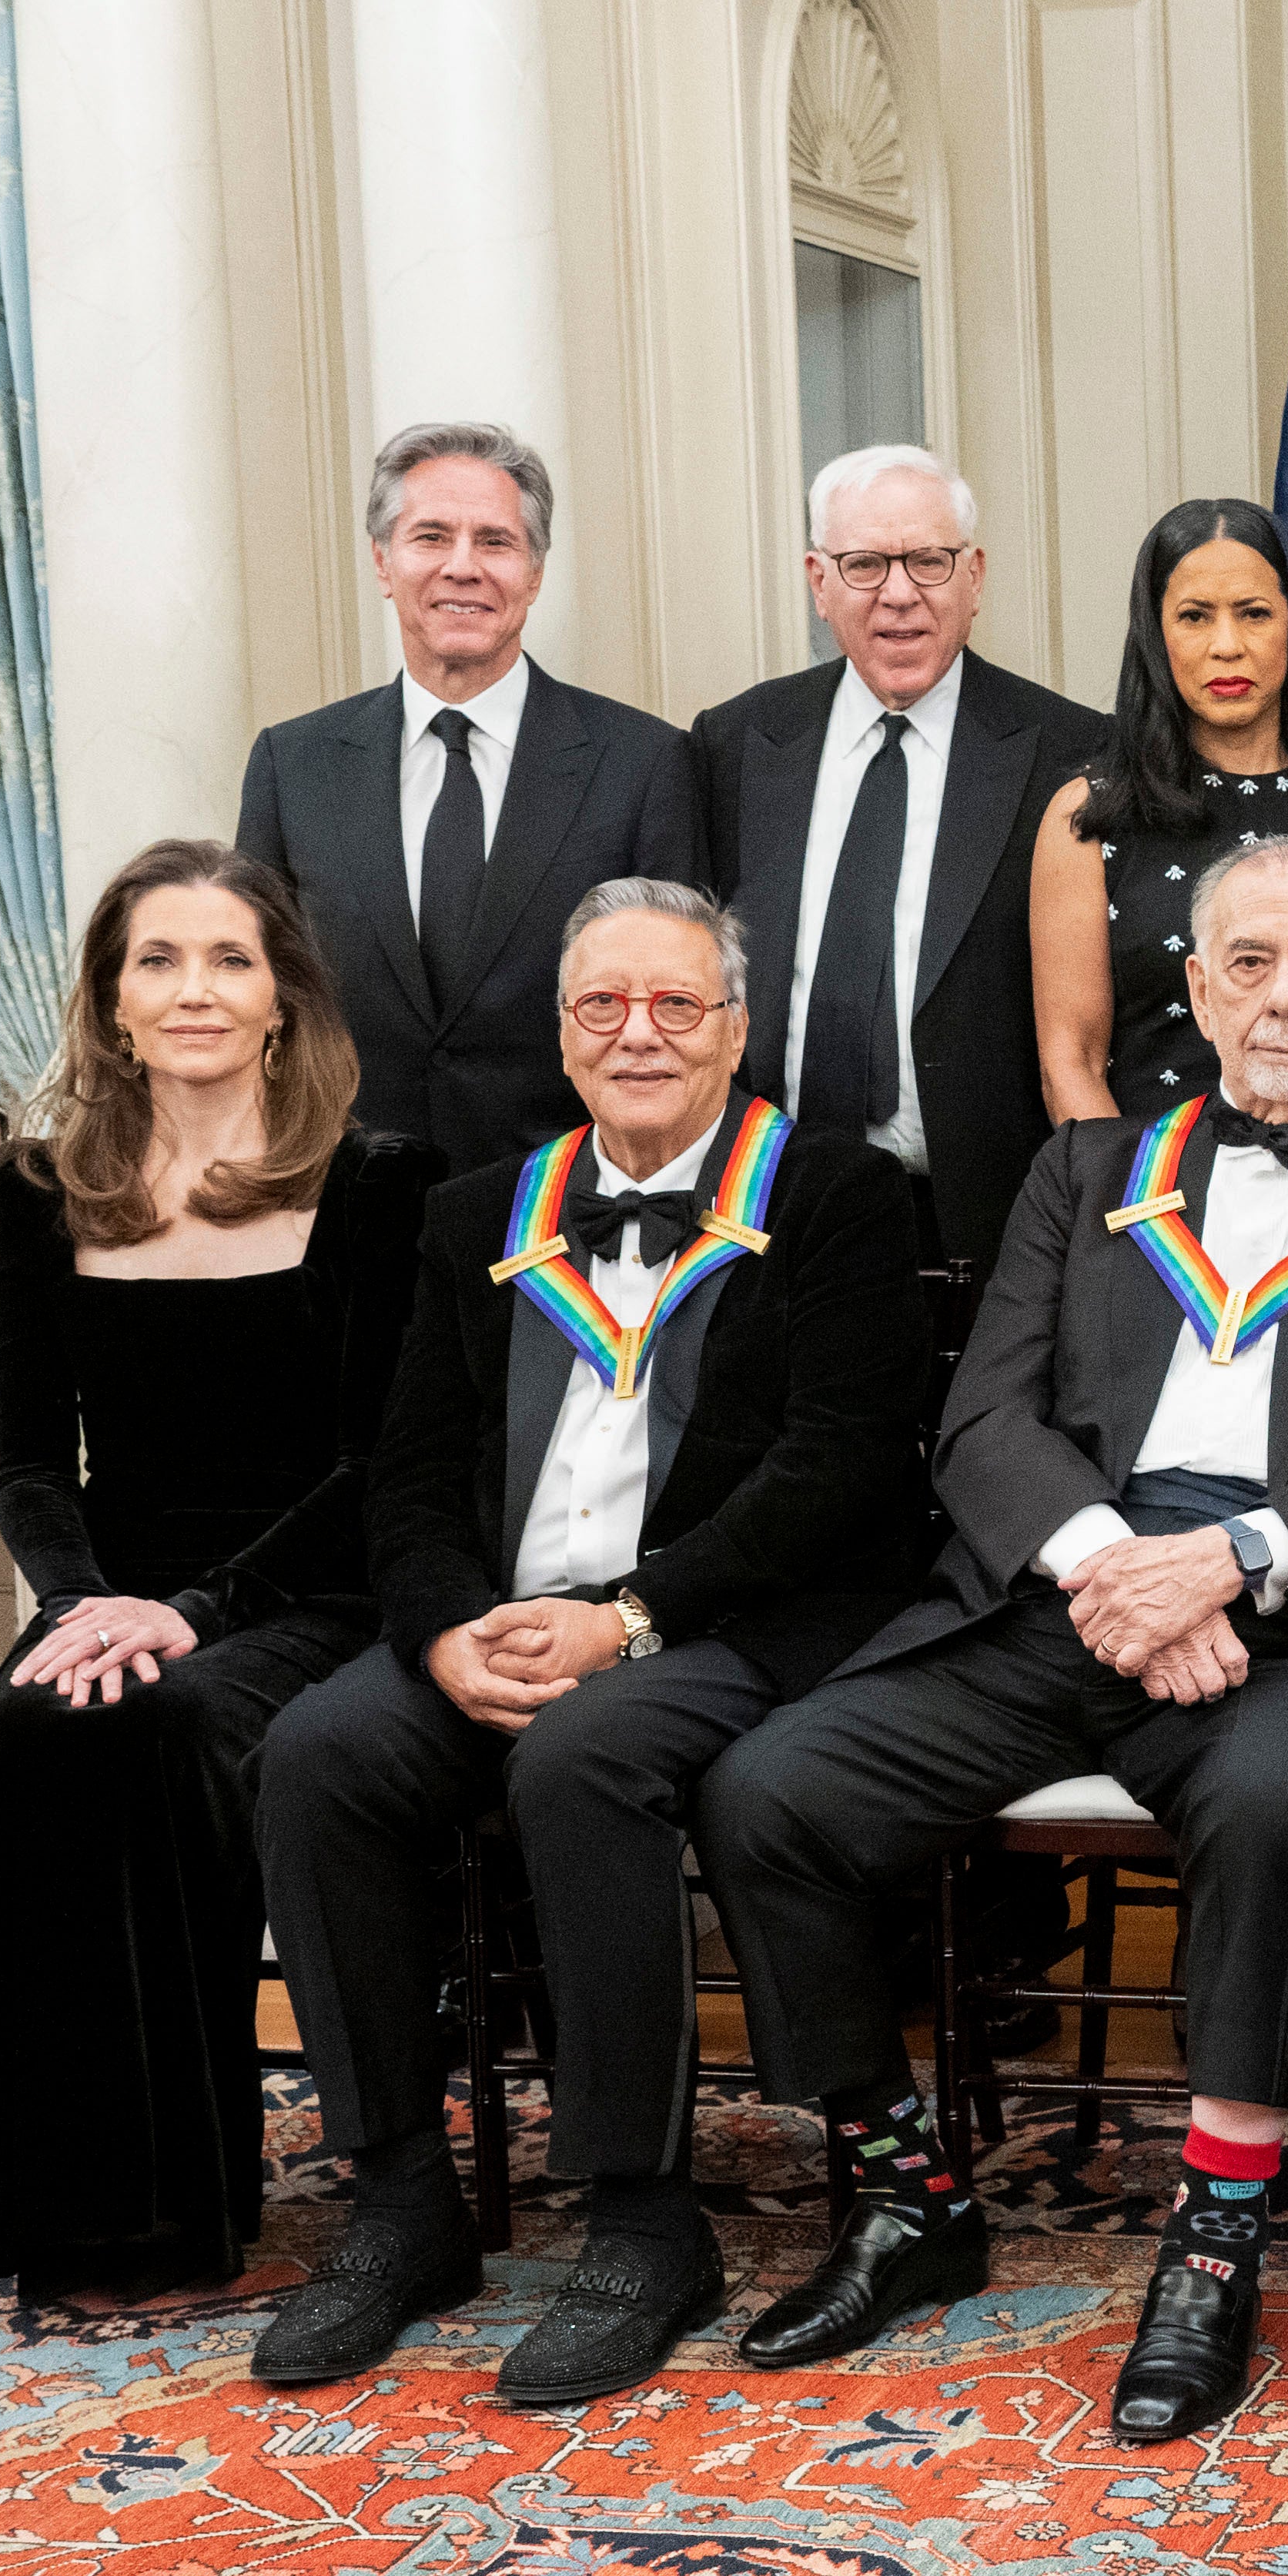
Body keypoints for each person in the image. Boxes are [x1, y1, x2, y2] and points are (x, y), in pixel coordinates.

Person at [698, 836, 1288, 2445]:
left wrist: (1226, 1566)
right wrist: (1117, 1568)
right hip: (1069, 1584)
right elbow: (982, 1416)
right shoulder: (1085, 1170)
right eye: (1249, 964)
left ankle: (1213, 2240)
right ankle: (905, 2185)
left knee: (1265, 1803)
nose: (1284, 997)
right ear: (1195, 989)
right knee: (769, 1787)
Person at [246, 879, 930, 2406]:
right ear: (562, 1033)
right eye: (602, 1005)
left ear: (735, 1029)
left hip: (717, 1616)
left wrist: (625, 1618)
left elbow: (835, 1469)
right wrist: (436, 1637)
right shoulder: (477, 1209)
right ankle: (402, 2195)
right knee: (319, 1749)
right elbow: (407, 1472)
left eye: (676, 1003)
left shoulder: (833, 1195)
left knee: (583, 1756)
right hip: (500, 1617)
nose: (638, 1031)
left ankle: (641, 2217)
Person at [0, 843, 437, 2312]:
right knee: (39, 1723)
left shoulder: (374, 1182)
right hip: (115, 1588)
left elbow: (375, 1468)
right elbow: (31, 1461)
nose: (195, 991)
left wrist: (191, 1609)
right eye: (157, 960)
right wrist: (71, 1599)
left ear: (284, 995)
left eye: (229, 958)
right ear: (110, 999)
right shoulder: (43, 1191)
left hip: (311, 1593)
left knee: (152, 1728)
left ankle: (181, 2212)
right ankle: (66, 2211)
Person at [239, 420, 701, 1173]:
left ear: (536, 571)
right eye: (431, 537)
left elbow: (681, 1016)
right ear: (383, 561)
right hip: (342, 1219)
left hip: (565, 1223)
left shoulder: (644, 765)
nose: (464, 567)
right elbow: (256, 1002)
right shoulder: (292, 767)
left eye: (495, 541)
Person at [695, 445, 1109, 1272]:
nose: (898, 592)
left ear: (975, 576)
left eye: (928, 560)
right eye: (864, 564)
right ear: (819, 582)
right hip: (766, 1216)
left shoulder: (1073, 753)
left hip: (985, 1230)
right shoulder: (736, 744)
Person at [1031, 497, 1288, 1126]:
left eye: (1254, 614)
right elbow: (1070, 1063)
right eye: (1193, 617)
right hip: (1151, 1193)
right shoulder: (1090, 815)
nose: (1226, 646)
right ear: (1155, 635)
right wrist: (1131, 1210)